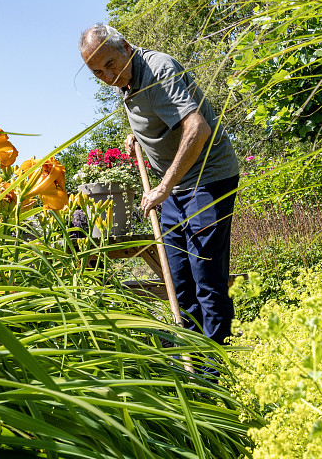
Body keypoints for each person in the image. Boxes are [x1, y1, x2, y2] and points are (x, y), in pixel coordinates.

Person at [79, 23, 240, 345]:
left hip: (208, 179)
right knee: (179, 280)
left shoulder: (159, 69)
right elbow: (159, 113)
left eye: (110, 65)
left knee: (206, 277)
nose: (108, 77)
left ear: (125, 46)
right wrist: (138, 135)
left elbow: (197, 127)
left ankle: (216, 368)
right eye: (98, 73)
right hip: (176, 186)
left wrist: (163, 187)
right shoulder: (126, 81)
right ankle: (193, 358)